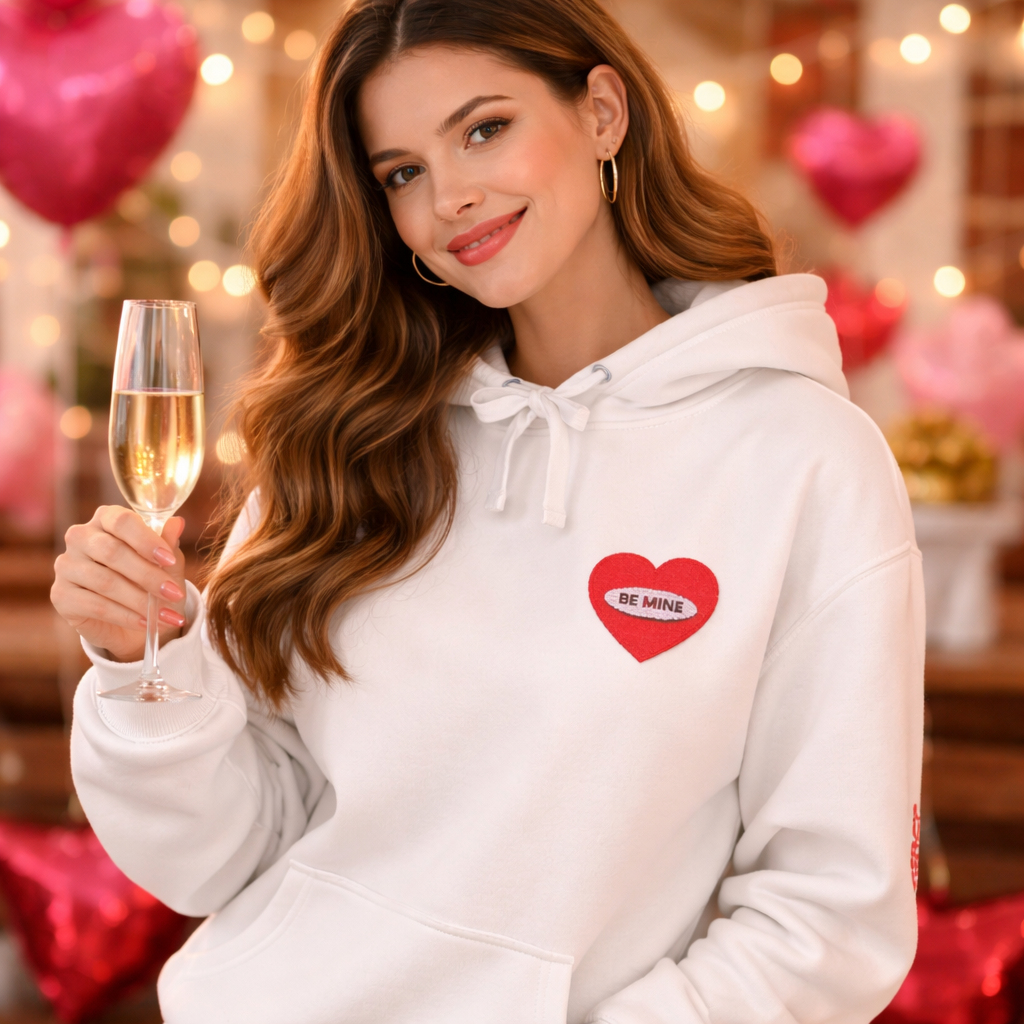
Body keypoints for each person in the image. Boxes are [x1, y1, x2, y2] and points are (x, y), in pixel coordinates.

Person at [53, 0, 925, 1021]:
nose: (451, 196)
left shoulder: (800, 459)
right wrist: (144, 665)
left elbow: (830, 913)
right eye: (403, 172)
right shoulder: (353, 438)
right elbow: (220, 857)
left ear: (602, 112)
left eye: (484, 128)